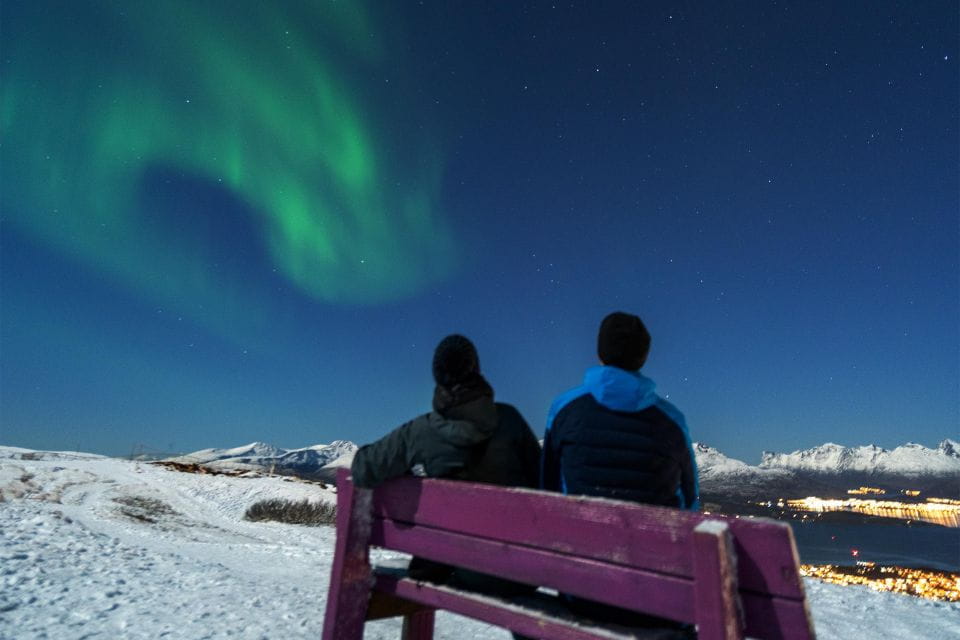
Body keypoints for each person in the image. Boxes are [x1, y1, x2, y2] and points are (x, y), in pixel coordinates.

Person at [541, 311, 699, 630]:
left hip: (582, 592)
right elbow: (691, 505)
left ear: (599, 352)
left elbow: (547, 493)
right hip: (657, 600)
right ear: (644, 357)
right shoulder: (672, 422)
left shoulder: (564, 409)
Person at [351, 334, 541, 593]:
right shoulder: (510, 420)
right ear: (475, 369)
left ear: (436, 376)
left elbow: (363, 468)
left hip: (456, 564)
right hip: (519, 572)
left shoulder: (420, 432)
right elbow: (545, 483)